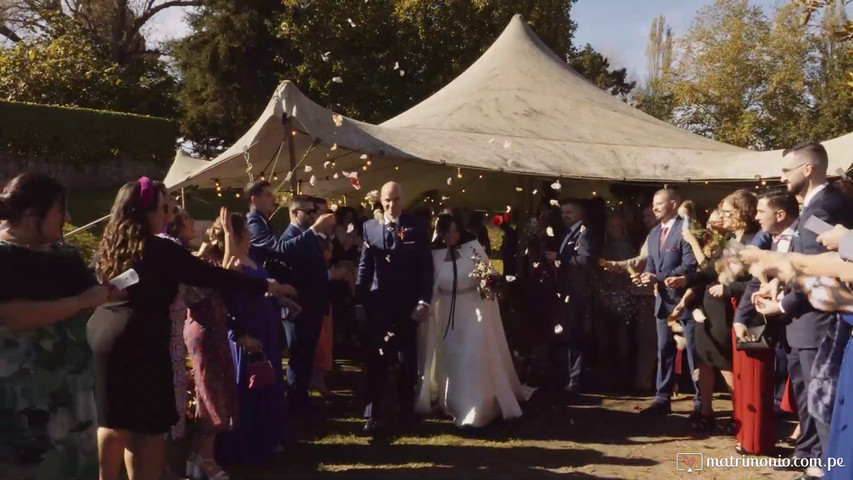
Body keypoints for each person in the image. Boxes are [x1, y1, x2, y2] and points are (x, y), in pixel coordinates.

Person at [90, 178, 295, 480]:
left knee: (112, 422)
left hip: (102, 337)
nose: (167, 215)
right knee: (146, 432)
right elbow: (211, 277)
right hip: (142, 342)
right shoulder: (160, 250)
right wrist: (264, 284)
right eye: (164, 208)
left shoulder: (108, 247)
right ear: (149, 211)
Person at [0, 173, 111, 480]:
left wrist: (100, 295)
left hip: (73, 399)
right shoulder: (4, 256)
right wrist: (78, 302)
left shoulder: (65, 255)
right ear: (31, 214)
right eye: (60, 211)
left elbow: (86, 299)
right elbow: (11, 315)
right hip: (22, 404)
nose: (68, 218)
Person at [754, 142, 853, 478]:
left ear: (808, 169)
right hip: (808, 320)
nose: (782, 178)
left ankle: (828, 468)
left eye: (787, 170)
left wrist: (782, 302)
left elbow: (827, 267)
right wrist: (779, 282)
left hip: (819, 321)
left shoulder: (825, 206)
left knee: (823, 403)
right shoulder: (815, 206)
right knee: (811, 399)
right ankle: (815, 462)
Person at [415, 213, 533, 427]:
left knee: (472, 355)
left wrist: (487, 284)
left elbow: (488, 276)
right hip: (446, 314)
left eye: (455, 230)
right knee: (451, 358)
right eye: (447, 231)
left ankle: (476, 407)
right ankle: (452, 402)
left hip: (472, 310)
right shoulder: (434, 254)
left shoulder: (473, 248)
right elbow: (429, 284)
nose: (452, 235)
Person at [356, 182, 433, 441]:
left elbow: (425, 269)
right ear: (380, 200)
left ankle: (405, 412)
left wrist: (424, 301)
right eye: (387, 200)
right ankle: (372, 414)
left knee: (407, 359)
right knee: (375, 359)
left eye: (396, 200)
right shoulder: (369, 227)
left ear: (403, 199)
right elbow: (365, 268)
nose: (391, 205)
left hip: (407, 305)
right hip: (379, 304)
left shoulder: (417, 227)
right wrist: (360, 300)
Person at [216, 213, 293, 466]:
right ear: (236, 237)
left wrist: (283, 299)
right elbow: (224, 300)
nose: (251, 236)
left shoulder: (251, 258)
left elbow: (262, 289)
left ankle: (269, 439)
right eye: (246, 233)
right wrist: (239, 335)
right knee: (250, 388)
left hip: (266, 327)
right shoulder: (233, 263)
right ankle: (249, 447)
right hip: (249, 331)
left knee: (269, 383)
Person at [636, 188, 699, 416]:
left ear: (673, 203)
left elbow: (690, 266)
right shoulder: (653, 234)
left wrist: (659, 277)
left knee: (693, 352)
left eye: (659, 203)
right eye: (653, 203)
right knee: (664, 350)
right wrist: (646, 276)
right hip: (662, 302)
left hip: (686, 300)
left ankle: (701, 403)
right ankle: (662, 398)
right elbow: (652, 262)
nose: (654, 207)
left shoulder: (687, 230)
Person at [281, 195, 339, 416]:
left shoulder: (308, 237)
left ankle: (301, 398)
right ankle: (295, 404)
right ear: (295, 213)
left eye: (315, 211)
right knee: (298, 357)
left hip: (311, 306)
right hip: (297, 307)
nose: (314, 216)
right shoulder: (291, 237)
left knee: (307, 356)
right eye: (309, 211)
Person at [550, 199, 598, 392]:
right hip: (569, 291)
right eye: (562, 212)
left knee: (577, 335)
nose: (564, 216)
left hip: (579, 292)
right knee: (571, 334)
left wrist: (559, 258)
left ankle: (576, 379)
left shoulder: (584, 233)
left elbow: (586, 260)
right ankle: (572, 376)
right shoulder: (569, 233)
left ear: (579, 213)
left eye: (569, 212)